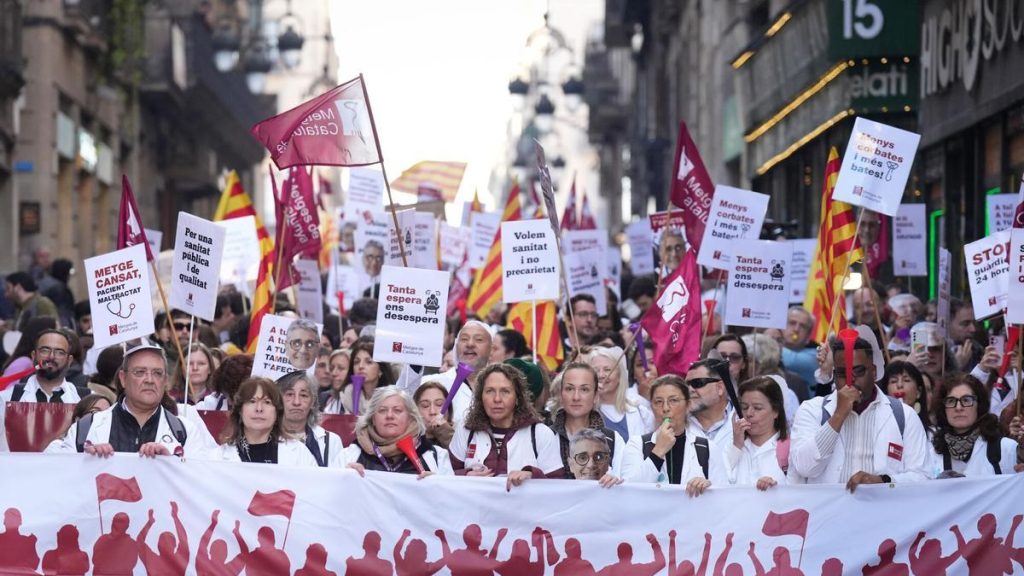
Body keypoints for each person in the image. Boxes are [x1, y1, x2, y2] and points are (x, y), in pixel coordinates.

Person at [789, 331, 930, 490]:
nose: (851, 380)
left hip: (881, 510)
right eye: (843, 373)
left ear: (874, 371)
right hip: (829, 511)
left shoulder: (904, 415)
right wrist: (838, 415)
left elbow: (922, 476)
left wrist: (883, 480)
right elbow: (804, 467)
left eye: (859, 371)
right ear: (834, 376)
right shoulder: (812, 409)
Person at [46, 342, 210, 457]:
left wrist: (171, 465)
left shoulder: (185, 432)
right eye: (140, 372)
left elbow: (199, 484)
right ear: (123, 379)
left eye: (157, 373)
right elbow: (57, 474)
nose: (149, 379)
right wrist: (87, 463)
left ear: (165, 381)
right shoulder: (86, 428)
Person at [449, 363, 565, 488]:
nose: (497, 399)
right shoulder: (466, 430)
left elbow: (557, 486)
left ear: (517, 398)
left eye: (505, 391)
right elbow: (445, 477)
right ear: (480, 397)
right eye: (490, 391)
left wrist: (532, 475)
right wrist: (465, 476)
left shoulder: (540, 434)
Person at [622, 374, 725, 495]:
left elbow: (722, 497)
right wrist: (658, 452)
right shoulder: (637, 445)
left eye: (673, 400)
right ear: (651, 407)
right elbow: (628, 493)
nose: (665, 408)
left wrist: (707, 487)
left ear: (688, 405)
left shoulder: (707, 448)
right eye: (658, 402)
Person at [397, 320, 493, 424]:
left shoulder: (502, 384)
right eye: (464, 339)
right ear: (456, 347)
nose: (470, 344)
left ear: (491, 349)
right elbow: (401, 399)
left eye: (478, 340)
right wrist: (415, 360)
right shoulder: (435, 382)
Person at [545, 362, 625, 484]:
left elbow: (627, 484)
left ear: (595, 396)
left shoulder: (612, 439)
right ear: (561, 394)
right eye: (570, 389)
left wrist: (616, 481)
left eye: (584, 389)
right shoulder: (545, 437)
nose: (576, 397)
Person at [344, 387, 453, 476]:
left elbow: (451, 500)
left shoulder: (436, 456)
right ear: (373, 419)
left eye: (397, 410)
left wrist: (436, 485)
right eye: (382, 411)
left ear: (410, 417)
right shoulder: (348, 455)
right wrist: (344, 479)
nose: (390, 416)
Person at [214, 377, 318, 466]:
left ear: (277, 411)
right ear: (240, 410)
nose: (259, 409)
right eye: (252, 401)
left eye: (267, 402)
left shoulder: (299, 453)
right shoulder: (218, 457)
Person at [930, 373, 1017, 477]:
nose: (958, 407)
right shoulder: (932, 454)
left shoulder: (1005, 448)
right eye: (951, 401)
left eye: (966, 400)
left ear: (979, 405)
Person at [727, 377, 790, 490]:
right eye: (744, 407)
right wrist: (736, 446)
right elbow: (720, 483)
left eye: (757, 408)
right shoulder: (732, 446)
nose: (749, 413)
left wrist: (774, 488)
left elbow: (799, 494)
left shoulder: (792, 449)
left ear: (776, 411)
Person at [278, 371, 349, 468]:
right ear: (279, 399)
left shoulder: (332, 441)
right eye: (290, 394)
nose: (296, 402)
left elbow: (338, 479)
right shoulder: (266, 438)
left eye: (303, 395)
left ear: (313, 402)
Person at [0, 328, 84, 404]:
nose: (51, 356)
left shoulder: (83, 400)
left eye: (59, 352)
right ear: (33, 356)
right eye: (45, 350)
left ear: (69, 360)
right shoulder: (7, 398)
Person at [588, 346, 654, 442]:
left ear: (620, 375)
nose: (601, 375)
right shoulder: (585, 412)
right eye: (596, 370)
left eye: (607, 370)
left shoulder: (641, 412)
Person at [685, 359, 735, 447]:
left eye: (697, 383)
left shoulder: (746, 419)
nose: (690, 390)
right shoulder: (677, 423)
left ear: (720, 388)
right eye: (686, 385)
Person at [343, 337, 396, 415]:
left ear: (380, 370)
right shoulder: (349, 393)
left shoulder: (390, 396)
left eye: (369, 362)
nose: (360, 366)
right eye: (356, 362)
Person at [137, 502, 188, 575]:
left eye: (169, 542)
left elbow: (183, 540)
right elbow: (139, 542)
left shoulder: (180, 562)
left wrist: (175, 517)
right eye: (163, 542)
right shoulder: (152, 559)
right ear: (158, 545)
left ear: (174, 546)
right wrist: (149, 523)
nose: (166, 544)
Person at [883, 361, 932, 432]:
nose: (899, 385)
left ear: (918, 391)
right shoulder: (878, 428)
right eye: (893, 381)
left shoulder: (933, 435)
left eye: (906, 380)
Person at [781, 306, 818, 394]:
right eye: (792, 323)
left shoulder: (815, 357)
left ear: (808, 336)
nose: (796, 329)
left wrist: (768, 339)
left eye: (803, 326)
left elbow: (790, 361)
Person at [196, 510, 245, 576]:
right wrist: (237, 534)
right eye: (218, 550)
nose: (219, 552)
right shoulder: (229, 571)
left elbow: (202, 544)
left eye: (221, 551)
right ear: (226, 555)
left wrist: (213, 524)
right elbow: (245, 554)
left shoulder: (203, 565)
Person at [415, 381, 455, 449]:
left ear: (449, 410)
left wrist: (447, 434)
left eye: (439, 404)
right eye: (425, 405)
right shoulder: (410, 441)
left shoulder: (463, 435)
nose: (432, 411)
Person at [0, 507, 39, 573]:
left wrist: (32, 545)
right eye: (8, 519)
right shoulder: (27, 541)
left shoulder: (27, 541)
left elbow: (34, 565)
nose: (11, 522)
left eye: (13, 519)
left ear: (19, 522)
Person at [949, 299, 982, 372]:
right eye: (965, 324)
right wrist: (956, 367)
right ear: (947, 324)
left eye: (974, 323)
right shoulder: (933, 351)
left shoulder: (979, 352)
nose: (973, 329)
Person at [320, 349, 351, 414]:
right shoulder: (323, 398)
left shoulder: (361, 402)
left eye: (341, 368)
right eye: (331, 368)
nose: (334, 373)